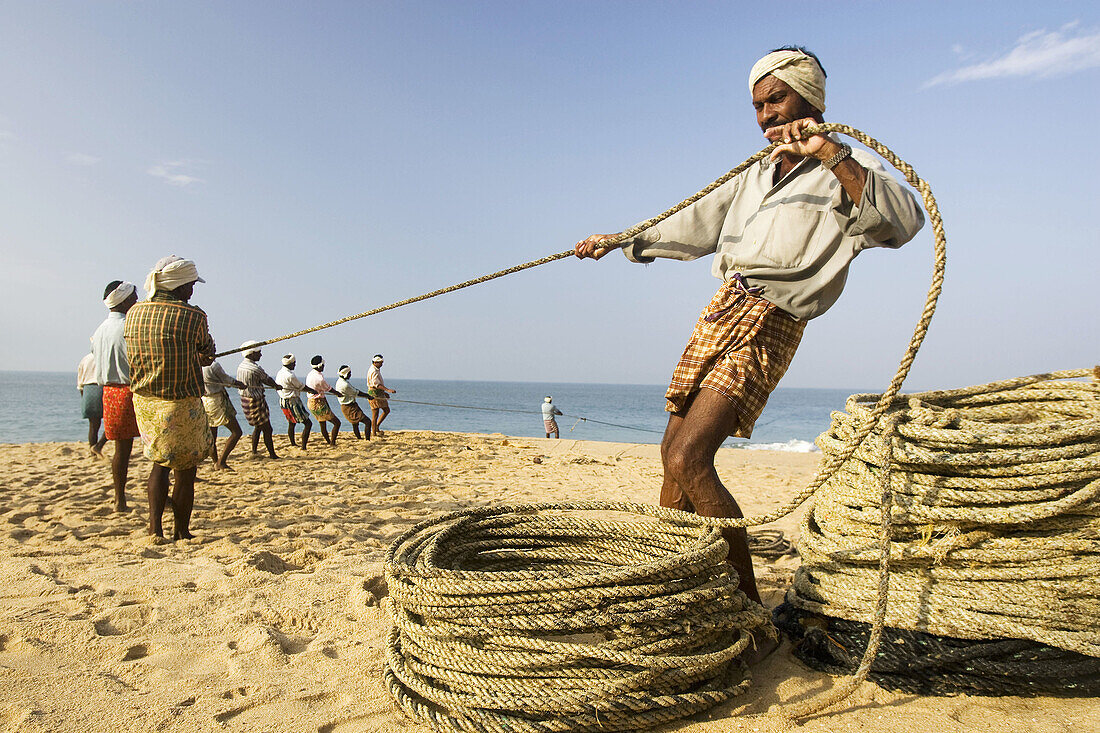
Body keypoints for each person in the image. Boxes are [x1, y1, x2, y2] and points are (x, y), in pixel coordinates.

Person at [574, 47, 924, 610]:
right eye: (758, 105)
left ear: (808, 97)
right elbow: (690, 225)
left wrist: (831, 154)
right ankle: (677, 585)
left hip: (774, 318)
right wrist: (622, 240)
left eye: (776, 99)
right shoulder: (754, 173)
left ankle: (746, 608)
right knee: (671, 460)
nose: (766, 115)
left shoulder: (849, 166)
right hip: (722, 309)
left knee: (691, 458)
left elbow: (903, 223)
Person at [125, 256, 216, 540]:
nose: (192, 291)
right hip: (179, 402)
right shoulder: (194, 316)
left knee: (159, 464)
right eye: (191, 285)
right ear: (179, 286)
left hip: (144, 401)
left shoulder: (134, 312)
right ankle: (181, 531)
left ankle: (154, 527)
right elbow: (207, 353)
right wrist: (198, 354)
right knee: (186, 469)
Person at [91, 280, 140, 511]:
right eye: (134, 297)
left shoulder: (100, 330)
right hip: (129, 390)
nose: (137, 301)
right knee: (139, 447)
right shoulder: (129, 328)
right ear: (126, 300)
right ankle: (124, 499)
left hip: (108, 393)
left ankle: (119, 498)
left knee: (121, 449)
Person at [236, 342, 279, 459]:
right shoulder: (255, 368)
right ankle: (272, 454)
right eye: (258, 353)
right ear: (251, 354)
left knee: (259, 426)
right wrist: (276, 386)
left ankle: (254, 451)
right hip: (255, 400)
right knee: (267, 428)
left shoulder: (241, 366)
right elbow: (267, 380)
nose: (260, 355)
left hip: (245, 399)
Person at [202, 359, 246, 470]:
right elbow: (227, 380)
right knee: (237, 432)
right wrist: (239, 384)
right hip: (217, 401)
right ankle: (221, 462)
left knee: (212, 435)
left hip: (205, 401)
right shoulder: (213, 365)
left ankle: (215, 461)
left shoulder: (195, 364)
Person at [275, 354, 317, 451]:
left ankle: (293, 443)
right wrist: (312, 391)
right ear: (290, 364)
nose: (295, 365)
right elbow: (301, 386)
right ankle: (303, 447)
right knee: (308, 423)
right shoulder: (290, 375)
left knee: (291, 422)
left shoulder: (280, 372)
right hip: (292, 401)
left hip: (282, 401)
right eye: (294, 363)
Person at [77, 348, 107, 457]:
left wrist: (83, 397)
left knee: (93, 426)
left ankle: (93, 453)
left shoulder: (85, 359)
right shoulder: (104, 358)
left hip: (87, 390)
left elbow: (80, 382)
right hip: (101, 388)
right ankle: (99, 446)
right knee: (112, 424)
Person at [305, 355, 341, 446]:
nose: (324, 367)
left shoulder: (310, 374)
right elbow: (329, 389)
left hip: (310, 402)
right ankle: (332, 443)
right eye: (323, 365)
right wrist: (338, 393)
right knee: (337, 423)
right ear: (320, 366)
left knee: (322, 423)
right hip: (318, 403)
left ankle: (329, 442)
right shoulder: (320, 378)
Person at [333, 365, 372, 441]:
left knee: (355, 423)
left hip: (350, 405)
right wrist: (367, 396)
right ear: (346, 373)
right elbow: (356, 392)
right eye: (349, 373)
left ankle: (359, 438)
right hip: (349, 407)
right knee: (367, 421)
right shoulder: (344, 384)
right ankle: (367, 440)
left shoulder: (340, 381)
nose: (350, 375)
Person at [367, 354, 396, 437]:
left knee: (386, 410)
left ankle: (377, 426)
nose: (381, 364)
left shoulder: (376, 369)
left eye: (382, 362)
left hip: (379, 392)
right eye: (380, 363)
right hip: (374, 393)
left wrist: (384, 393)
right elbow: (376, 384)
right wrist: (387, 390)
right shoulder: (373, 371)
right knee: (375, 414)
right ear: (375, 362)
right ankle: (374, 433)